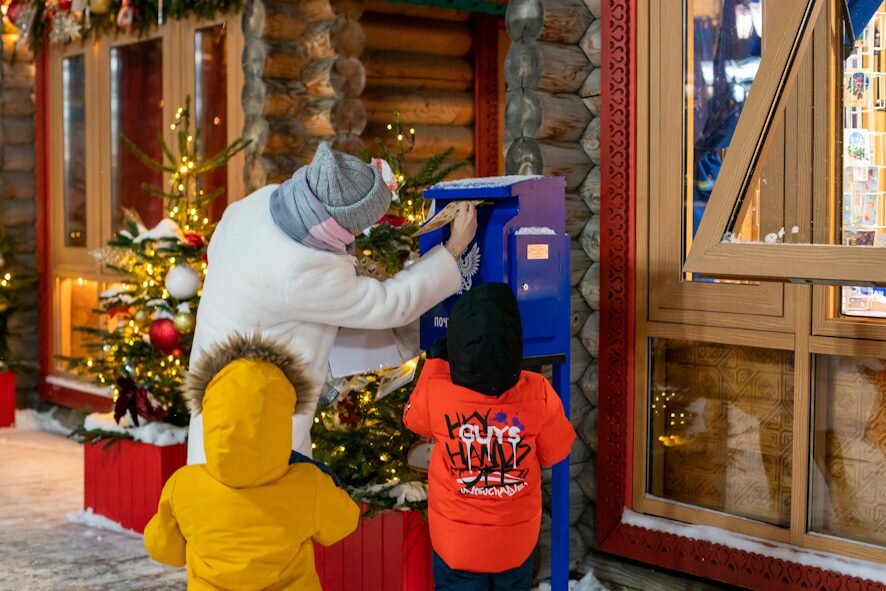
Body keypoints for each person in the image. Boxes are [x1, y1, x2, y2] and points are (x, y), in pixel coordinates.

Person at [187, 142, 477, 463]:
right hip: (255, 424)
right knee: (266, 504)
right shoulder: (301, 269)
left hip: (220, 398)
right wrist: (452, 249)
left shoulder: (261, 203)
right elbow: (390, 304)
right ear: (340, 227)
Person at [144, 333, 360, 591]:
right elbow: (345, 522)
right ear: (282, 420)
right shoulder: (308, 484)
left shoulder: (183, 486)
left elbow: (164, 550)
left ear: (212, 419)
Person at [403, 283, 576, 591]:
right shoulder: (537, 391)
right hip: (515, 544)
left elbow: (413, 420)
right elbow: (557, 451)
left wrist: (435, 366)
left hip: (457, 546)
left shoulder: (438, 391)